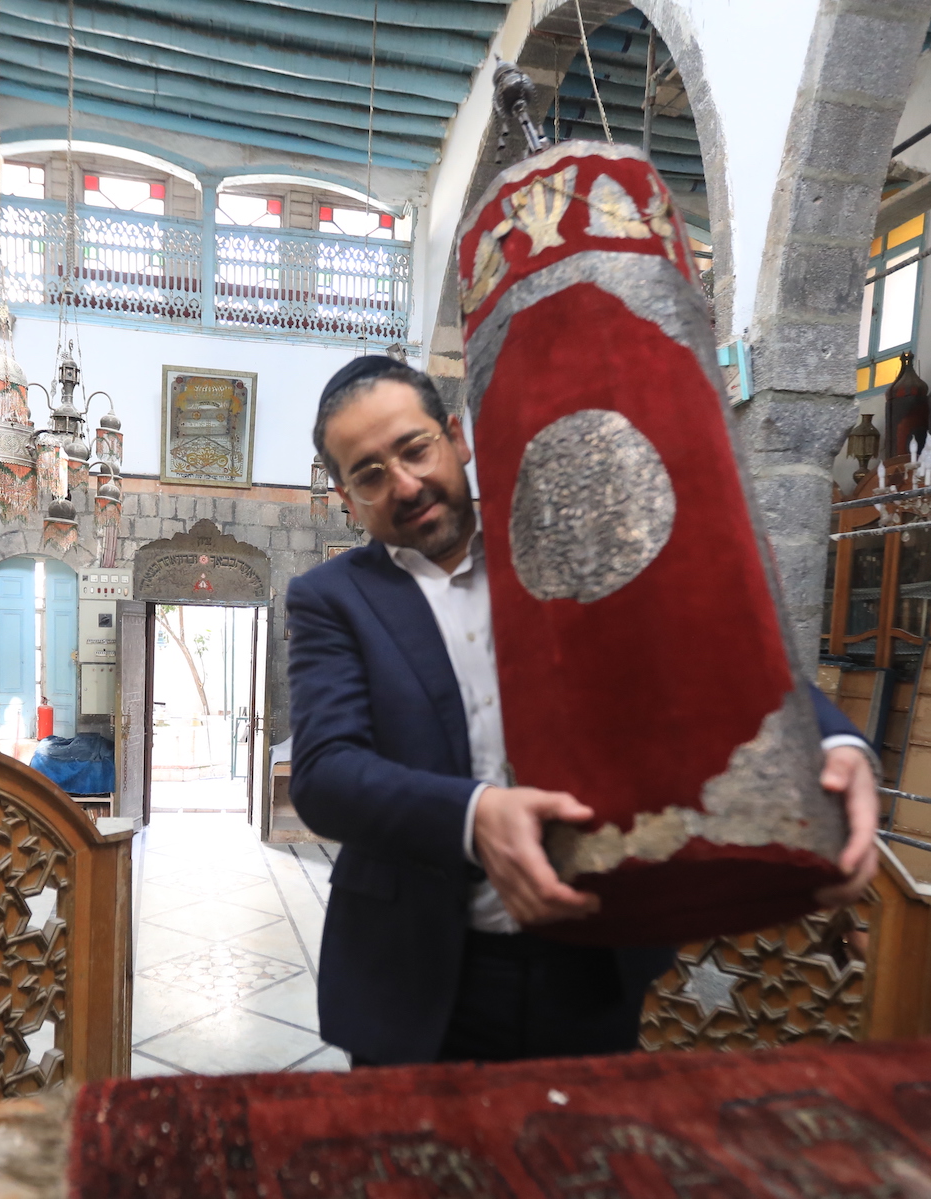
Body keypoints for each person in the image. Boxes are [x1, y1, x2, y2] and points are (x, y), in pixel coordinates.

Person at [286, 355, 881, 1067]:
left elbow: (710, 654)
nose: (405, 484)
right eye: (370, 474)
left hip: (597, 954)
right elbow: (326, 772)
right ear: (346, 495)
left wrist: (835, 742)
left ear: (456, 437)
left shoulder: (566, 545)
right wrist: (474, 815)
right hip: (418, 972)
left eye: (415, 449)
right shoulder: (332, 599)